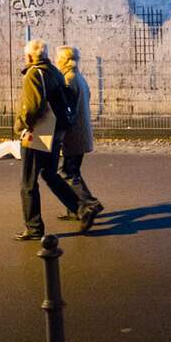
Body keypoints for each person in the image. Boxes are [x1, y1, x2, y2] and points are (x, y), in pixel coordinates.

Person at [13, 39, 99, 241]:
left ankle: (34, 228)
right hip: (54, 132)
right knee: (50, 174)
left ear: (30, 56)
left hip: (37, 133)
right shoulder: (54, 71)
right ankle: (81, 208)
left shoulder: (35, 73)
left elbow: (32, 107)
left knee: (28, 183)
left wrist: (22, 126)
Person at [55, 46, 102, 221]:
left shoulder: (68, 79)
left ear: (63, 60)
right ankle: (75, 208)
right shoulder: (79, 77)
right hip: (82, 133)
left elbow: (67, 111)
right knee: (73, 171)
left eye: (58, 58)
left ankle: (90, 203)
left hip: (73, 135)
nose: (56, 60)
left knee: (67, 172)